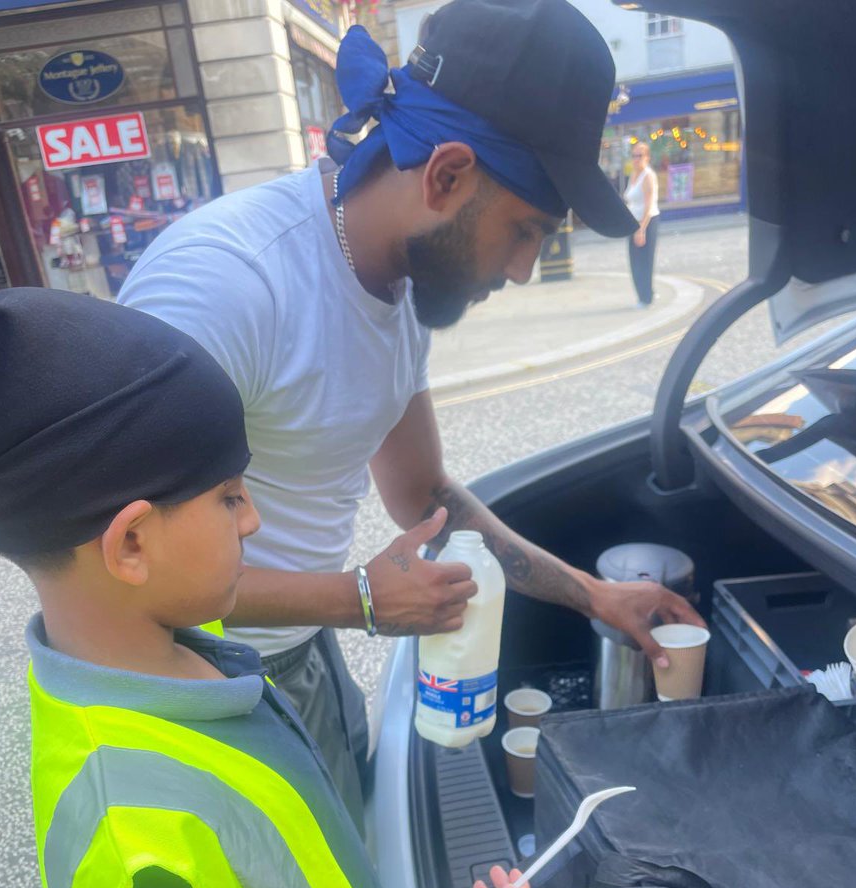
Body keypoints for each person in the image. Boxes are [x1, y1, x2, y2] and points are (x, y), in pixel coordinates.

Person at [0, 287, 534, 888]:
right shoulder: (143, 857)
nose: (253, 522)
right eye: (231, 496)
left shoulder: (164, 668)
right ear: (129, 545)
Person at [120, 0, 701, 825]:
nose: (527, 270)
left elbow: (423, 495)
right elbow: (137, 576)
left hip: (300, 656)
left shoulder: (396, 287)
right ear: (446, 175)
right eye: (524, 231)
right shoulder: (226, 288)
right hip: (189, 696)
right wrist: (359, 598)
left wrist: (593, 596)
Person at [624, 142, 660, 307]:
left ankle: (646, 297)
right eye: (634, 156)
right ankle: (642, 294)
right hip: (632, 223)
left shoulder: (648, 176)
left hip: (646, 222)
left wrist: (641, 229)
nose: (636, 159)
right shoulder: (633, 175)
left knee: (644, 261)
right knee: (634, 261)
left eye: (640, 156)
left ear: (647, 157)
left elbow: (648, 204)